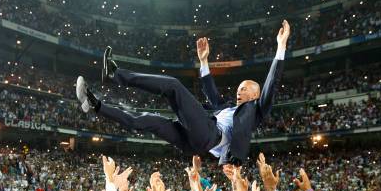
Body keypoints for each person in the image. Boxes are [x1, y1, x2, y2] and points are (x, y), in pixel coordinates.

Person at [76, 20, 290, 166]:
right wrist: (204, 61)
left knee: (173, 86)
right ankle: (96, 105)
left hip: (209, 135)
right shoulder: (226, 108)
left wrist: (280, 47)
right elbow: (211, 92)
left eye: (244, 89)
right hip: (194, 141)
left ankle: (115, 74)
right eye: (238, 88)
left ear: (255, 96)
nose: (239, 90)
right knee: (146, 121)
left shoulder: (256, 112)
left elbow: (271, 85)